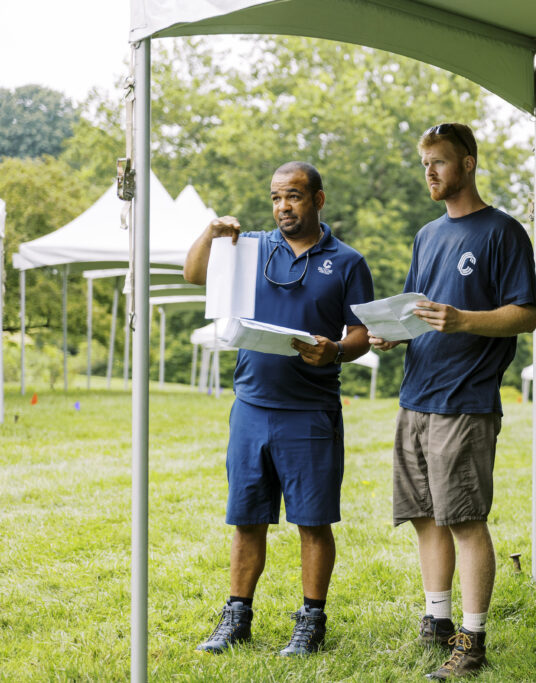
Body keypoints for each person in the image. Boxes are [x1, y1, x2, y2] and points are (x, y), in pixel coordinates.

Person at [183, 161, 374, 656]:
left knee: (312, 522)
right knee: (247, 518)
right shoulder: (250, 250)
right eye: (275, 198)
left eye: (293, 196)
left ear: (318, 199)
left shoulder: (348, 262)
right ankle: (236, 617)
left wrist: (333, 349)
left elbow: (360, 337)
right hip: (251, 405)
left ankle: (311, 622)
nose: (282, 207)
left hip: (310, 411)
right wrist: (211, 234)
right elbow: (194, 274)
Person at [370, 123, 536, 679]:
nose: (430, 173)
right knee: (424, 516)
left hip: (465, 401)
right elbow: (419, 310)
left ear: (467, 164)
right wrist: (393, 333)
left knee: (465, 519)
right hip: (415, 394)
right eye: (424, 163)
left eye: (439, 162)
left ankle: (473, 639)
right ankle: (437, 620)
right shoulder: (427, 235)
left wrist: (465, 319)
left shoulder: (503, 233)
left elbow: (526, 315)